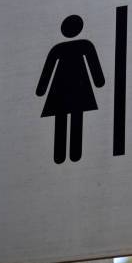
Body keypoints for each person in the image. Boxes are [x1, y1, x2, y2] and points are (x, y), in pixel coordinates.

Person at [36, 15, 105, 164]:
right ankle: (71, 155)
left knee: (66, 119)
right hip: (75, 88)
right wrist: (99, 81)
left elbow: (48, 70)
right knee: (74, 118)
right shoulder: (83, 45)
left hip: (62, 88)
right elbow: (95, 68)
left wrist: (41, 90)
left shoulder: (60, 48)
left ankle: (64, 155)